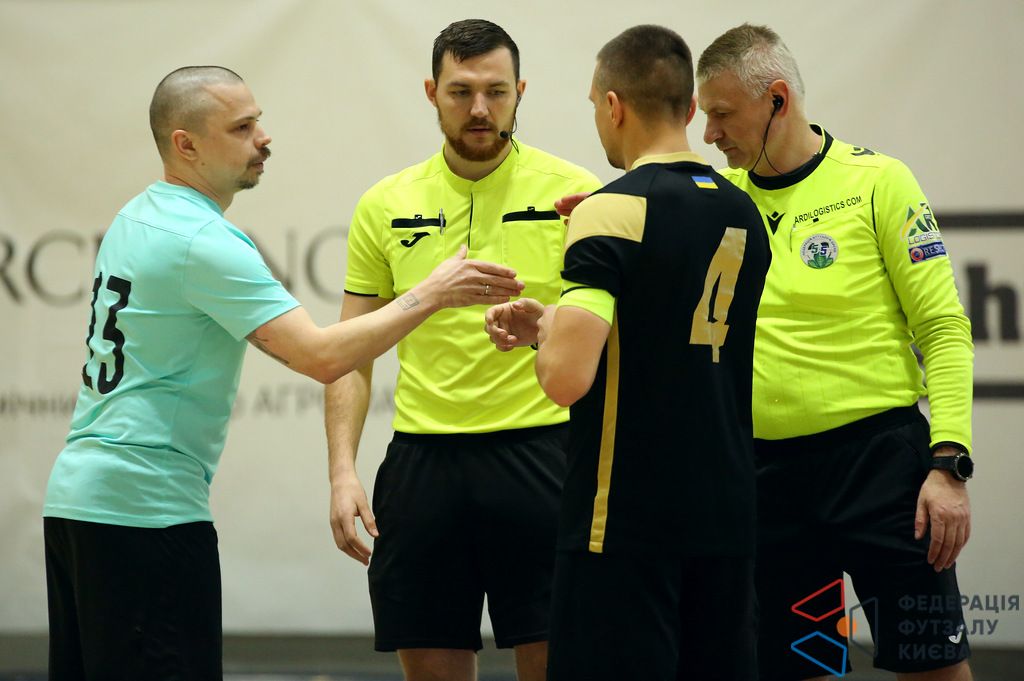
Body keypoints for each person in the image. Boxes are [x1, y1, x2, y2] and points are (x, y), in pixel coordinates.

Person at [42, 65, 523, 681]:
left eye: (258, 121)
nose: (263, 138)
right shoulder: (203, 241)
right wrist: (430, 293)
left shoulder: (138, 215)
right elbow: (321, 356)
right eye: (241, 128)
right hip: (144, 514)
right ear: (186, 144)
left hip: (78, 504)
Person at [487, 24, 770, 681]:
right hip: (727, 517)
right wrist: (552, 322)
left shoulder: (608, 211)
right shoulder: (742, 210)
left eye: (594, 106)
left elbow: (564, 379)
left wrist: (555, 330)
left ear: (613, 106)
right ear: (690, 108)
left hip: (624, 524)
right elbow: (667, 329)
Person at [323, 19, 600, 681]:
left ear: (520, 92)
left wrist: (547, 323)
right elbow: (348, 352)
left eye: (496, 92)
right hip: (423, 463)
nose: (480, 108)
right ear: (432, 92)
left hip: (545, 453)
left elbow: (613, 333)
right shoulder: (385, 203)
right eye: (461, 91)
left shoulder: (577, 193)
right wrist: (341, 472)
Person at [695, 24, 975, 680]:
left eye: (723, 114)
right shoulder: (718, 205)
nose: (709, 134)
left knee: (933, 667)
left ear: (778, 99)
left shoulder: (878, 182)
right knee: (803, 669)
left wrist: (949, 465)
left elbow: (942, 327)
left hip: (884, 474)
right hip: (768, 484)